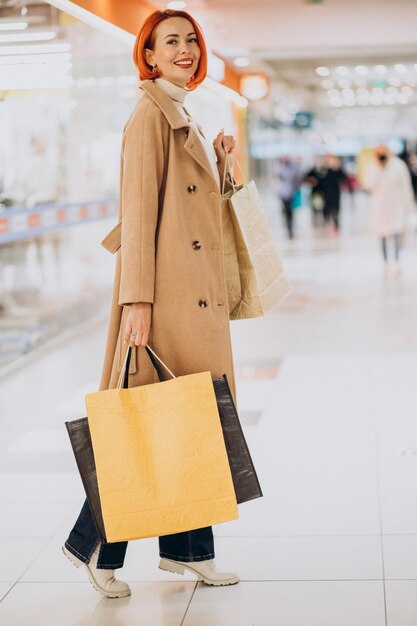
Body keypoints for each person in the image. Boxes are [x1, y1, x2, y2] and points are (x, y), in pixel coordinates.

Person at [62, 9, 240, 598]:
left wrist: (221, 163)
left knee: (190, 422)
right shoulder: (148, 117)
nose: (186, 49)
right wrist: (136, 302)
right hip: (163, 302)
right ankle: (94, 549)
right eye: (172, 42)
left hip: (189, 297)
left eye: (191, 39)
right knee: (143, 427)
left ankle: (190, 552)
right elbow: (139, 218)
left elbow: (196, 212)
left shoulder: (180, 111)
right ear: (150, 55)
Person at [364, 143, 415, 277]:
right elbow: (368, 185)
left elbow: (406, 185)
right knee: (382, 236)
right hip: (380, 204)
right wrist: (377, 168)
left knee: (397, 234)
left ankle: (397, 262)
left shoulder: (398, 165)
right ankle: (386, 263)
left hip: (396, 203)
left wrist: (409, 205)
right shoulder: (372, 166)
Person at [276, 156, 300, 238]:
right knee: (287, 212)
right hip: (284, 194)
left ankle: (290, 228)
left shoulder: (290, 169)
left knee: (289, 212)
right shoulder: (282, 168)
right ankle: (289, 228)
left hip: (290, 194)